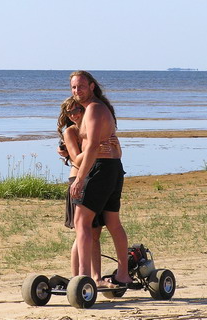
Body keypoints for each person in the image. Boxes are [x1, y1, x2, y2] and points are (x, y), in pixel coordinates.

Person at [69, 70, 132, 286]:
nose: (77, 91)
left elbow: (94, 146)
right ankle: (122, 274)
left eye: (81, 86)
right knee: (113, 223)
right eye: (74, 87)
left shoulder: (94, 108)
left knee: (81, 222)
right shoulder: (94, 109)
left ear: (92, 86)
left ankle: (84, 278)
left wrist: (79, 179)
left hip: (101, 169)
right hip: (112, 168)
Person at [57, 96, 113, 288]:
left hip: (95, 179)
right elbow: (75, 159)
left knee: (95, 232)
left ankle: (96, 278)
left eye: (77, 110)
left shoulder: (92, 128)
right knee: (81, 232)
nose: (75, 115)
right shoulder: (71, 132)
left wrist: (96, 146)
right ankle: (77, 279)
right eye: (70, 112)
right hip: (78, 179)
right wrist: (93, 148)